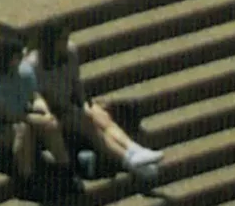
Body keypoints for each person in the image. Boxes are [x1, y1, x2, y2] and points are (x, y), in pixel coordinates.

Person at [30, 20, 164, 185]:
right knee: (90, 125)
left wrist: (84, 103)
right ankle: (127, 160)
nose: (66, 42)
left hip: (72, 105)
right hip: (56, 115)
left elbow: (76, 83)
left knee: (100, 116)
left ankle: (135, 150)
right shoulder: (33, 66)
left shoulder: (70, 52)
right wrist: (71, 110)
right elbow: (41, 101)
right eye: (62, 39)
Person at [0, 27, 76, 184]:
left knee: (51, 125)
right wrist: (36, 120)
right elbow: (6, 115)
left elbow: (34, 95)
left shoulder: (23, 70)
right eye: (17, 56)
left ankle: (66, 169)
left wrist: (44, 111)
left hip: (21, 113)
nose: (21, 58)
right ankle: (26, 178)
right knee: (23, 131)